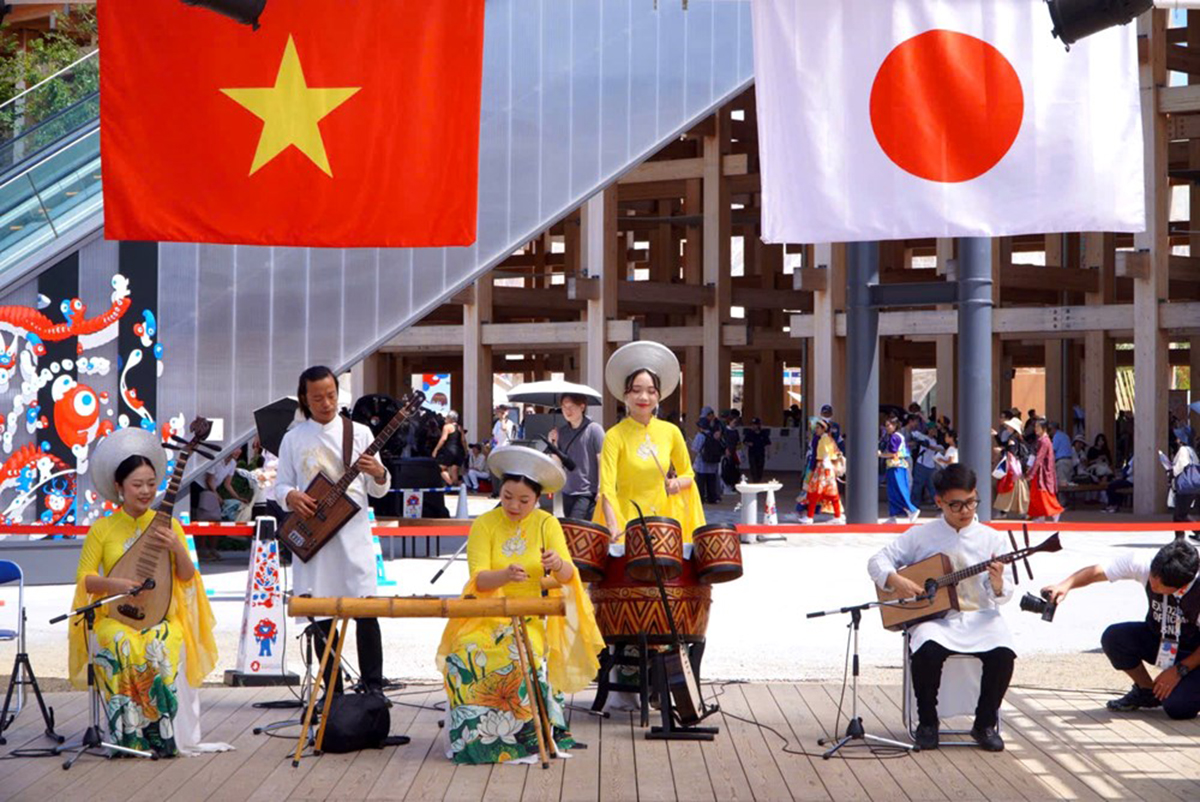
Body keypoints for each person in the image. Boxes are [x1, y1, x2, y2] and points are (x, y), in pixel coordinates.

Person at [436, 446, 605, 763]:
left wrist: (557, 563)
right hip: (486, 615)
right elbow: (478, 580)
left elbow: (569, 575)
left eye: (524, 500)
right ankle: (473, 741)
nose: (514, 505)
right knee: (465, 653)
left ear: (538, 498)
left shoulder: (546, 524)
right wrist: (503, 575)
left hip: (530, 617)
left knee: (517, 654)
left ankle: (523, 741)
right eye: (508, 496)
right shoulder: (484, 524)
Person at [70, 427, 218, 756]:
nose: (146, 491)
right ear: (119, 487)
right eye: (137, 485)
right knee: (121, 643)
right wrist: (117, 585)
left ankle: (163, 735)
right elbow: (85, 579)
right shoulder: (103, 529)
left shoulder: (169, 525)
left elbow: (186, 576)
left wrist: (176, 547)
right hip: (115, 617)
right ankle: (128, 736)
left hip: (160, 616)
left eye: (151, 484)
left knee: (160, 645)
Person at [868, 464, 1013, 752]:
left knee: (1003, 652)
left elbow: (1003, 595)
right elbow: (876, 561)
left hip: (980, 616)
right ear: (939, 502)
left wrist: (997, 584)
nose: (965, 511)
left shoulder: (992, 539)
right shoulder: (922, 535)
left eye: (971, 502)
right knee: (926, 649)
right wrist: (896, 580)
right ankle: (927, 722)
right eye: (956, 504)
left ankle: (984, 724)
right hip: (936, 618)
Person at [275, 365, 392, 696]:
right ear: (304, 399)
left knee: (366, 613)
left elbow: (379, 489)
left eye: (331, 395)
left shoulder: (360, 433)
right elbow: (280, 486)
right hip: (315, 541)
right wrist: (291, 496)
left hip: (354, 538)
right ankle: (333, 696)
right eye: (317, 398)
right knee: (321, 618)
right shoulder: (293, 439)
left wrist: (378, 472)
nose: (326, 403)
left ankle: (373, 691)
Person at [1042, 539, 1200, 719]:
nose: (1153, 584)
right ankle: (1147, 691)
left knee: (1178, 707)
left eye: (1161, 585)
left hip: (1195, 652)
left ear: (1183, 585)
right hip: (1161, 638)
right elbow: (1098, 572)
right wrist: (1065, 585)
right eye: (1152, 577)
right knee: (1115, 638)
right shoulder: (1146, 562)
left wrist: (1179, 670)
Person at [595, 341, 705, 542]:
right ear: (625, 395)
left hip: (664, 524)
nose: (643, 397)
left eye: (651, 391)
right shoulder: (614, 435)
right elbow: (607, 488)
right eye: (636, 390)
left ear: (659, 396)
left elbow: (688, 474)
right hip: (626, 524)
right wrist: (612, 525)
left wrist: (677, 483)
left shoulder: (671, 432)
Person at [547, 393, 606, 520]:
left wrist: (601, 488)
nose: (567, 411)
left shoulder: (594, 429)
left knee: (577, 526)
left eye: (571, 407)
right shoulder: (561, 432)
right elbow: (557, 464)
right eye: (564, 407)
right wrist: (553, 443)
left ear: (582, 407)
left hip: (587, 492)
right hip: (567, 490)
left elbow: (602, 460)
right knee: (571, 527)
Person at [878, 416, 920, 524]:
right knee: (892, 491)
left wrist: (881, 455)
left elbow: (893, 453)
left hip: (897, 466)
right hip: (894, 466)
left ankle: (912, 509)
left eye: (889, 425)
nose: (887, 427)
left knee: (900, 489)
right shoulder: (894, 436)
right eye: (886, 425)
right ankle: (893, 515)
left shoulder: (895, 437)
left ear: (895, 425)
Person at [802, 418, 843, 522]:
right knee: (831, 493)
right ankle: (837, 516)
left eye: (818, 428)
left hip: (823, 468)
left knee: (814, 493)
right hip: (826, 468)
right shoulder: (828, 439)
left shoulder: (824, 440)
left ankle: (810, 517)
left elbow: (825, 455)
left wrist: (825, 469)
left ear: (823, 429)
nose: (816, 430)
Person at [1028, 419, 1064, 523]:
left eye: (1038, 427)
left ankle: (1055, 511)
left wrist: (1031, 472)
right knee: (1036, 493)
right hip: (1039, 471)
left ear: (1044, 428)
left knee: (1044, 494)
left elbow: (1039, 458)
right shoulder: (1042, 440)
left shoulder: (1044, 441)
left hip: (1043, 472)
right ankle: (1040, 515)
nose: (1035, 429)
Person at [1170, 437, 1200, 542]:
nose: (1176, 440)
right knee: (1182, 513)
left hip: (1185, 486)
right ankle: (1197, 532)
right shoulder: (1192, 451)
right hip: (1193, 486)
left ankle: (1179, 539)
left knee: (1179, 515)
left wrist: (1171, 470)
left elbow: (1180, 466)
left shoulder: (1183, 450)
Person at [691, 410, 723, 506]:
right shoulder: (713, 434)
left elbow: (695, 449)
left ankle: (700, 499)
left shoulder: (700, 436)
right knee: (711, 481)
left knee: (701, 482)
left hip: (702, 462)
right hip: (712, 462)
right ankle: (712, 498)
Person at [432, 410, 466, 486]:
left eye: (447, 417)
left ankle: (451, 484)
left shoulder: (447, 427)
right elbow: (463, 440)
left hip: (450, 451)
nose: (445, 419)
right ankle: (456, 486)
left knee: (440, 467)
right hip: (459, 451)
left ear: (450, 418)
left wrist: (436, 449)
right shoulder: (460, 428)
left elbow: (443, 439)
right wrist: (465, 450)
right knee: (454, 470)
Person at [743, 417, 771, 484]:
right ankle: (755, 481)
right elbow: (744, 442)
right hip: (752, 454)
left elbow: (768, 443)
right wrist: (748, 444)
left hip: (761, 453)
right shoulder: (750, 433)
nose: (753, 426)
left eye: (755, 425)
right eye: (752, 425)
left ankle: (758, 479)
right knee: (753, 468)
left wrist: (768, 452)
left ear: (758, 425)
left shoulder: (763, 433)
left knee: (760, 468)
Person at [1049, 422, 1074, 489]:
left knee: (1062, 485)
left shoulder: (1057, 436)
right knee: (1067, 484)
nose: (1049, 432)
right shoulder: (1065, 436)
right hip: (1069, 461)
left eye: (1050, 429)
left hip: (1062, 463)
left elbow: (1052, 450)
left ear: (1053, 429)